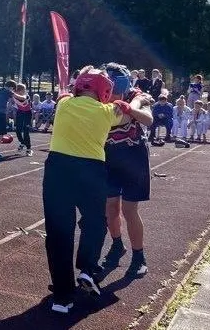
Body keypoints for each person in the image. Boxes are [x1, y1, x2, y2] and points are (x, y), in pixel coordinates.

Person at [43, 65, 146, 314]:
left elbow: (65, 92)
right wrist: (139, 99)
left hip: (58, 168)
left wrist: (84, 73)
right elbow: (131, 113)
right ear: (105, 91)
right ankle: (88, 267)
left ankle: (62, 297)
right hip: (91, 170)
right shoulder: (107, 111)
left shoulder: (64, 104)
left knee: (58, 232)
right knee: (95, 222)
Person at [99, 64, 154, 278]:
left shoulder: (136, 95)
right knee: (110, 208)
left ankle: (139, 256)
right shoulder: (98, 94)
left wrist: (131, 107)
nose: (113, 95)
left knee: (130, 209)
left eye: (117, 90)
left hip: (133, 155)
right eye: (110, 90)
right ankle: (116, 245)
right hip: (108, 155)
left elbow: (148, 119)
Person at [0, 80, 27, 162]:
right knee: (0, 134)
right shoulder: (8, 91)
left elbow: (11, 98)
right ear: (11, 88)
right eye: (13, 89)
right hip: (0, 113)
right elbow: (20, 98)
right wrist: (25, 96)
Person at [13, 84, 33, 156]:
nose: (25, 91)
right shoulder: (15, 95)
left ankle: (29, 149)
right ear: (19, 91)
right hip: (20, 113)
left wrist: (13, 94)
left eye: (25, 90)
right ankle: (22, 142)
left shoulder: (26, 96)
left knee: (26, 131)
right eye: (23, 90)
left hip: (27, 113)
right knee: (18, 130)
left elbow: (23, 99)